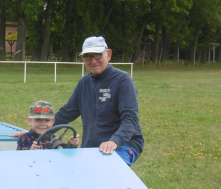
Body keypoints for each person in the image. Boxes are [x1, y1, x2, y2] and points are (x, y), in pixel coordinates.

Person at [12, 36, 143, 165]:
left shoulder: (123, 81)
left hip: (123, 145)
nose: (93, 61)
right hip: (91, 146)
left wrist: (114, 141)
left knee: (106, 170)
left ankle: (126, 187)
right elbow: (66, 113)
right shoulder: (84, 82)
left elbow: (130, 119)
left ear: (108, 54)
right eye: (87, 56)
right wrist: (36, 132)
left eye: (97, 55)